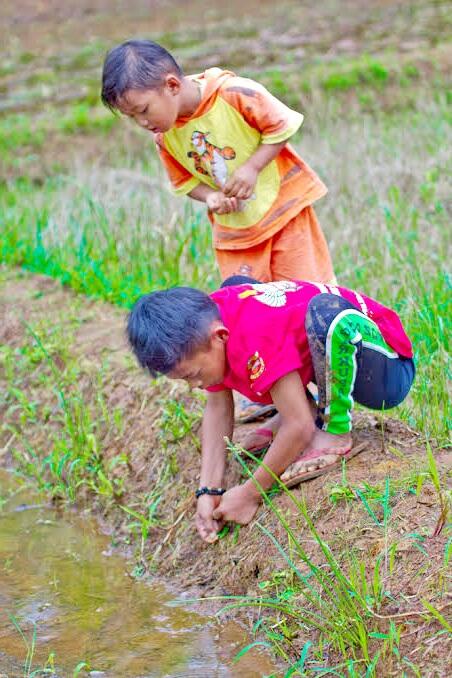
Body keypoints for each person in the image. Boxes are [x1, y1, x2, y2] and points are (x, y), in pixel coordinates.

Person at [126, 277, 415, 543]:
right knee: (239, 286)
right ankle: (298, 404)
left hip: (386, 367)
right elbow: (217, 406)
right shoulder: (205, 325)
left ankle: (334, 431)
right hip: (320, 355)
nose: (194, 385)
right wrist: (208, 490)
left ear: (220, 337)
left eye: (193, 375)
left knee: (326, 316)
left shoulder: (249, 334)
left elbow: (299, 427)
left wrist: (251, 493)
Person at [101, 39, 334, 285]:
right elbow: (185, 181)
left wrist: (252, 168)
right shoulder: (164, 137)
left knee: (307, 296)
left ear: (171, 85)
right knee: (249, 306)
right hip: (235, 234)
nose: (142, 123)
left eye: (144, 110)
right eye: (132, 117)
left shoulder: (235, 93)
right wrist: (210, 196)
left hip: (286, 214)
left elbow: (282, 126)